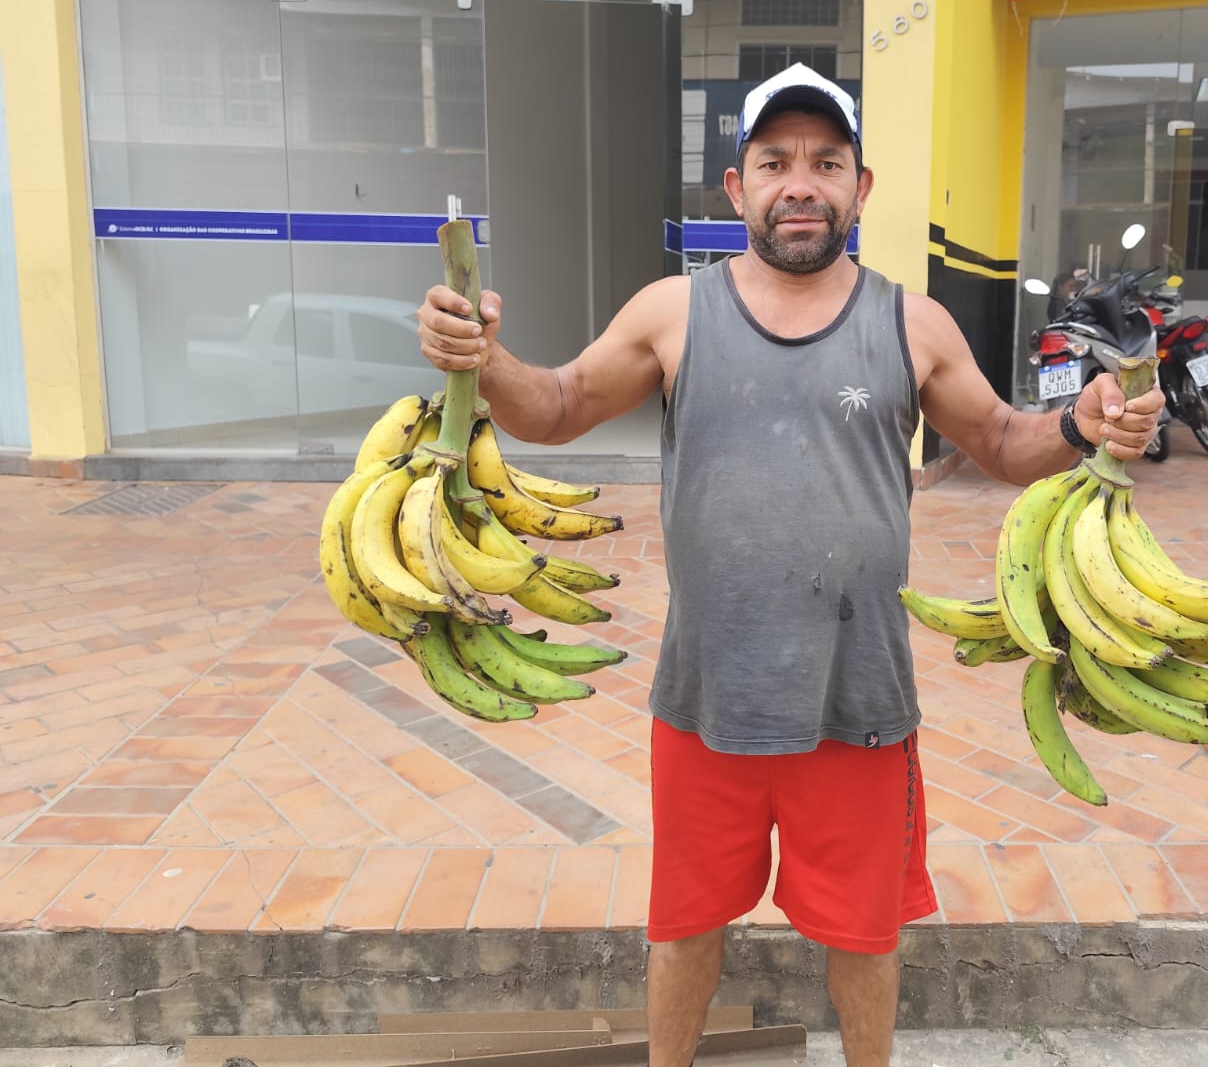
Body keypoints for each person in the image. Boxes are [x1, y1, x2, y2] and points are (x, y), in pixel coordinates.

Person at [417, 62, 1162, 1067]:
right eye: (774, 161)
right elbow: (552, 407)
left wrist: (1081, 420)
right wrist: (484, 359)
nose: (798, 182)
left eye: (825, 161)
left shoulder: (912, 323)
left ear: (862, 186)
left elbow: (997, 442)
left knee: (863, 935)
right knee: (683, 928)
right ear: (737, 188)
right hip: (707, 700)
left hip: (856, 701)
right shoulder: (672, 313)